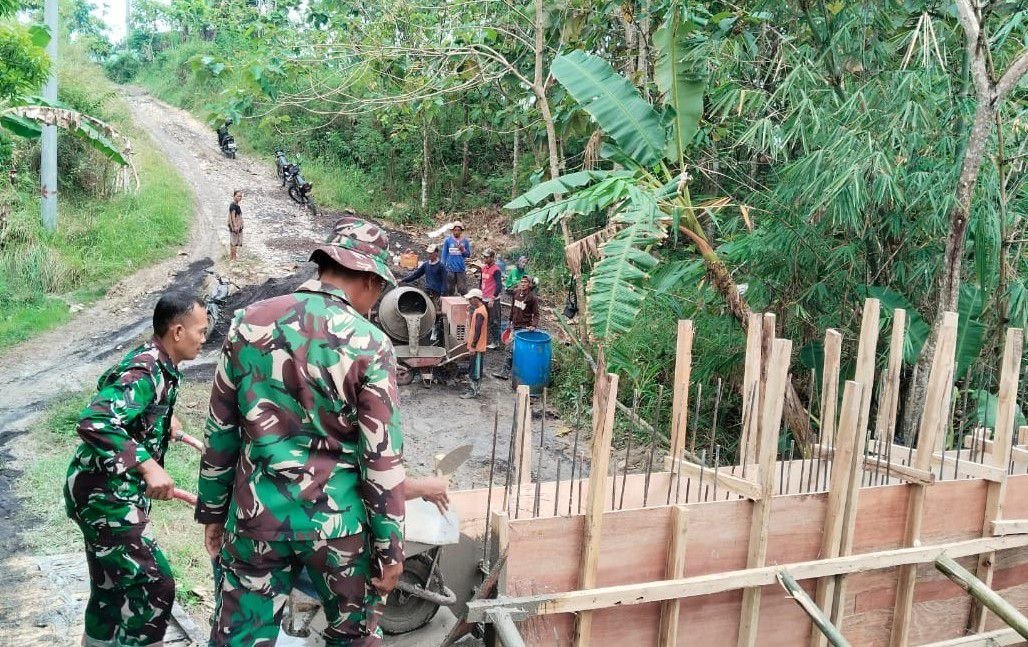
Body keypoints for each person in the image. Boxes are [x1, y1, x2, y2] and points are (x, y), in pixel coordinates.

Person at [196, 217, 408, 647]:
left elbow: (221, 432)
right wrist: (390, 548)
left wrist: (213, 514)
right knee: (354, 638)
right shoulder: (370, 344)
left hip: (257, 518)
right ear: (368, 280)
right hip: (340, 529)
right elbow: (381, 458)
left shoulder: (247, 324)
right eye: (379, 289)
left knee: (240, 638)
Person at [63, 292, 208, 647]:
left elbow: (107, 385)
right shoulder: (146, 369)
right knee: (155, 584)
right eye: (201, 331)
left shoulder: (155, 362)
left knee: (110, 588)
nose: (204, 339)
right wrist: (147, 466)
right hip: (105, 495)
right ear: (177, 332)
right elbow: (95, 419)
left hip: (98, 489)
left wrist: (157, 416)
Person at [493, 275, 539, 381]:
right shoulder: (516, 293)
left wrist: (533, 325)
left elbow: (536, 314)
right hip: (514, 326)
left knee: (512, 350)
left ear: (530, 284)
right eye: (521, 282)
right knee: (510, 349)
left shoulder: (532, 298)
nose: (522, 284)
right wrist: (509, 321)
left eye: (525, 282)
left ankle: (507, 373)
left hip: (524, 329)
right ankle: (509, 372)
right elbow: (513, 309)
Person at [462, 288, 488, 399]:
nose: (469, 301)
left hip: (477, 347)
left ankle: (474, 391)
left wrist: (473, 346)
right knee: (472, 367)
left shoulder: (480, 313)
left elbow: (478, 331)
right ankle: (472, 389)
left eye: (470, 299)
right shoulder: (478, 309)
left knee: (475, 370)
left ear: (476, 299)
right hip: (475, 345)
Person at [479, 249, 503, 349]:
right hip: (484, 298)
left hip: (492, 299)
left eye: (487, 257)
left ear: (492, 258)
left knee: (494, 321)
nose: (485, 259)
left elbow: (499, 285)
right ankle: (485, 339)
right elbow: (481, 282)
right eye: (484, 257)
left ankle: (496, 342)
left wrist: (493, 298)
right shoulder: (483, 268)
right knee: (483, 319)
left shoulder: (496, 270)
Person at [441, 221, 471, 296]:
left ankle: (464, 305)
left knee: (462, 289)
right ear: (452, 231)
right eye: (455, 230)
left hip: (460, 268)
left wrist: (462, 249)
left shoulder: (465, 241)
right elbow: (444, 254)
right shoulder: (448, 241)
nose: (456, 232)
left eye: (458, 230)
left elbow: (468, 255)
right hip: (450, 268)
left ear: (461, 231)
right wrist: (443, 266)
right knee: (449, 289)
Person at [227, 189, 243, 261]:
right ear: (234, 196)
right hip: (235, 227)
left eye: (240, 196)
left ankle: (232, 257)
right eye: (238, 196)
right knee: (234, 243)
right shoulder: (233, 206)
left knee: (233, 242)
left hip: (236, 226)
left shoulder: (236, 205)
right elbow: (233, 217)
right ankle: (233, 258)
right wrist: (235, 226)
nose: (239, 197)